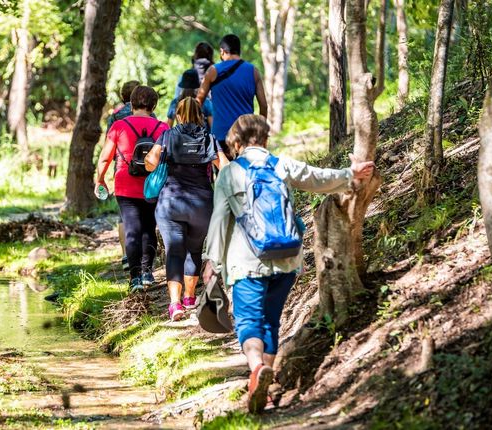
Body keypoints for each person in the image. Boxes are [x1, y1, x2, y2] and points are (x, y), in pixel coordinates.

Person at [202, 115, 375, 413]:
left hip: (247, 264)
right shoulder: (281, 165)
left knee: (248, 321)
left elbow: (219, 220)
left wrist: (211, 261)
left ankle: (256, 369)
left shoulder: (229, 173)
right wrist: (351, 174)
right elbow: (316, 178)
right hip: (286, 260)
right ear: (266, 139)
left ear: (236, 143)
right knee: (270, 320)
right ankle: (265, 390)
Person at [145, 97, 228, 321]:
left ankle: (175, 304)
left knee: (175, 251)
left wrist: (151, 158)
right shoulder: (208, 138)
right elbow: (226, 167)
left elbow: (151, 162)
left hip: (171, 203)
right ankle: (190, 297)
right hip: (202, 204)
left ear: (179, 115)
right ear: (200, 115)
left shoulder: (168, 135)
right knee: (194, 250)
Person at [96, 86, 169, 291]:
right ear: (153, 105)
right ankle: (147, 273)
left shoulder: (119, 125)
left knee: (132, 230)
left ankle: (135, 277)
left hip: (125, 185)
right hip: (153, 186)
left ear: (131, 103)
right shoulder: (162, 128)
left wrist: (100, 180)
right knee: (149, 228)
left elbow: (105, 158)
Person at [197, 34, 268, 158]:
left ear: (222, 51)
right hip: (246, 134)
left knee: (223, 175)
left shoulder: (213, 71)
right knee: (246, 173)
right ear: (239, 51)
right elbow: (264, 106)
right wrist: (261, 133)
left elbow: (198, 102)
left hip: (220, 136)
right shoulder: (253, 71)